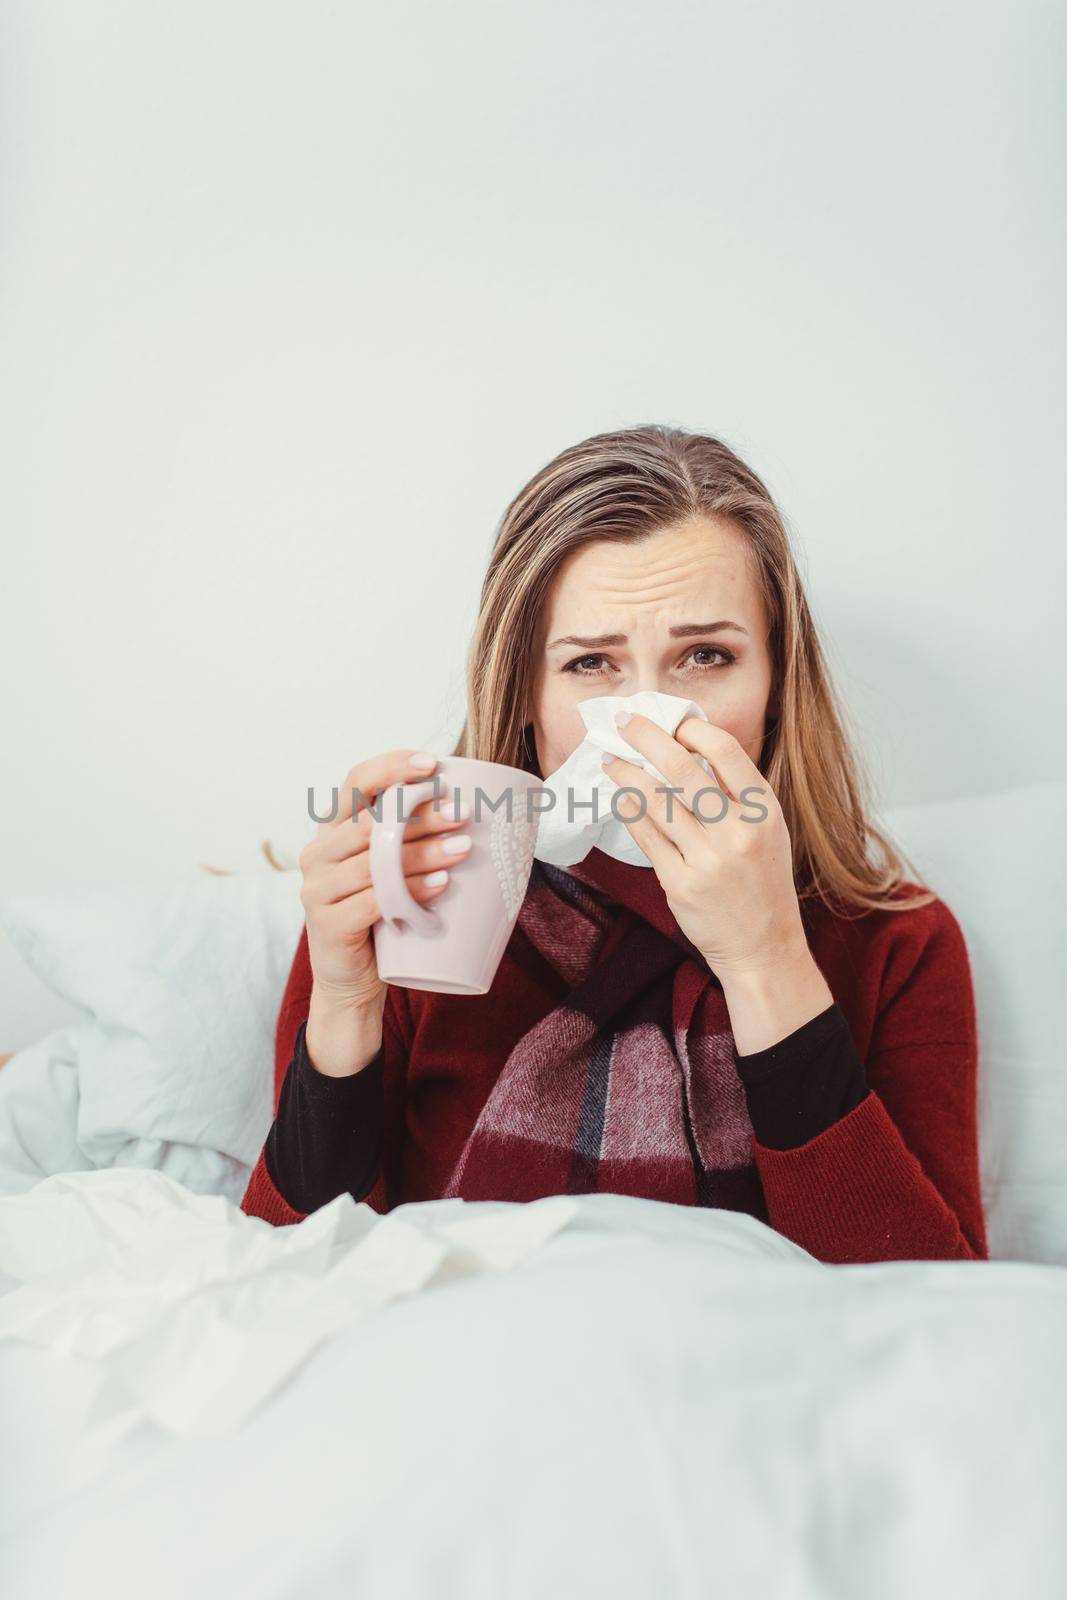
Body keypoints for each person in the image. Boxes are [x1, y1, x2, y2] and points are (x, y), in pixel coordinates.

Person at [239, 425, 988, 1265]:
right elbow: (284, 1282)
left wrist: (766, 957)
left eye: (705, 655)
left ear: (776, 682)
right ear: (524, 692)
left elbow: (939, 1313)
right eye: (591, 665)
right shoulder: (425, 899)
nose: (641, 720)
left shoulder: (893, 939)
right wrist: (342, 1011)